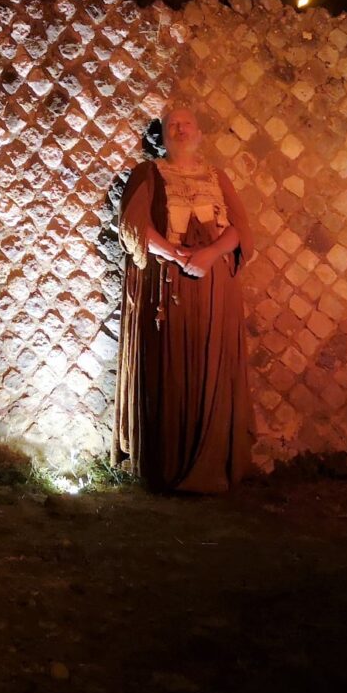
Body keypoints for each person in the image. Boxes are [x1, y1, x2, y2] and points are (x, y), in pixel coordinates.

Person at [113, 108, 255, 492]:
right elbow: (133, 225)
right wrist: (175, 255)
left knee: (211, 363)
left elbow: (239, 230)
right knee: (169, 366)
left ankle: (210, 464)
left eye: (186, 122)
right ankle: (168, 465)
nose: (179, 128)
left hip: (214, 289)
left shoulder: (218, 178)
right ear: (162, 133)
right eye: (171, 124)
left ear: (199, 133)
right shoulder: (147, 174)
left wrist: (207, 255)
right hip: (168, 286)